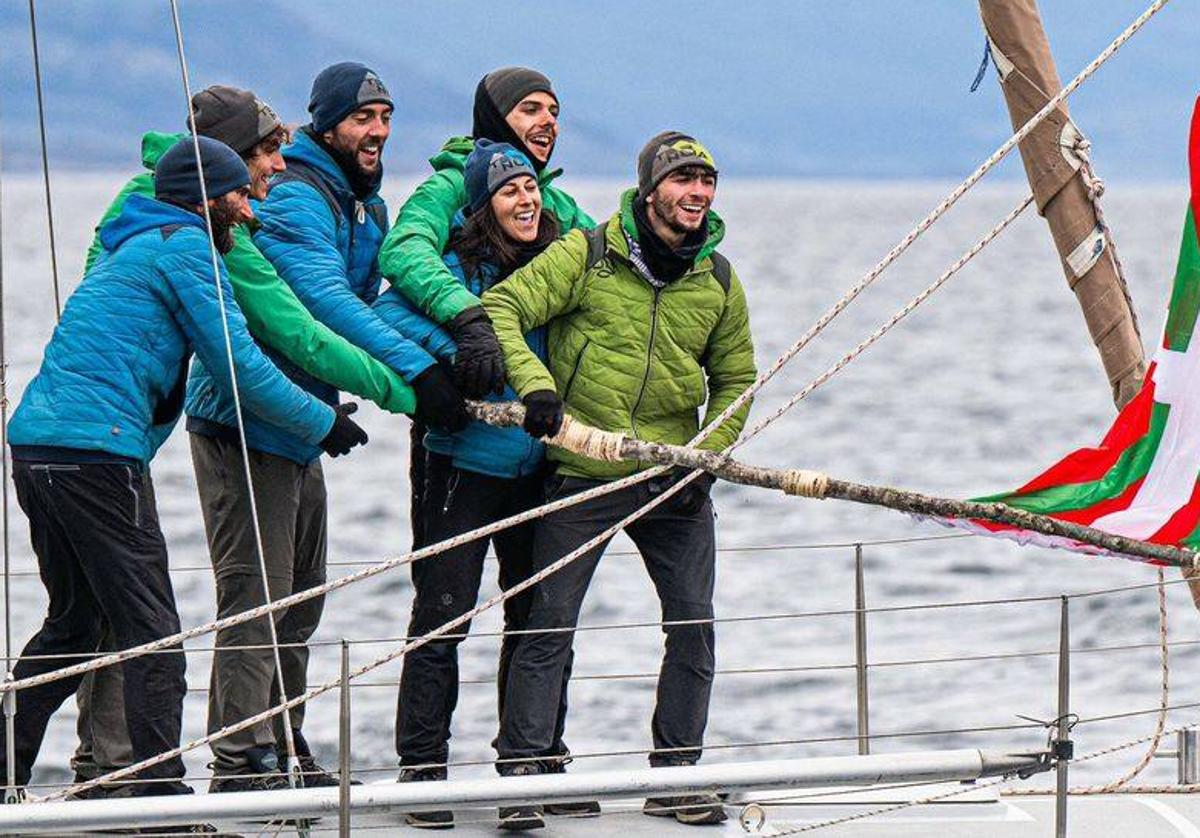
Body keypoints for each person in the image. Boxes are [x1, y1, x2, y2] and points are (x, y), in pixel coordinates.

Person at [71, 84, 421, 797]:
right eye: (264, 152)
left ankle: (271, 745)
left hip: (240, 429)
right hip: (184, 431)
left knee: (297, 600)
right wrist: (415, 395)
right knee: (211, 602)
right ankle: (205, 764)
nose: (279, 164)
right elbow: (283, 333)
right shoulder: (187, 229)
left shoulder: (225, 216)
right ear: (221, 165)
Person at [0, 138, 362, 803]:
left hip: (37, 450)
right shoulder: (188, 247)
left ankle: (5, 768)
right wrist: (323, 422)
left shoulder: (133, 244)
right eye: (238, 190)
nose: (252, 200)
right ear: (209, 198)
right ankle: (159, 800)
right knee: (156, 637)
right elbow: (240, 366)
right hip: (96, 456)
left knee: (76, 626)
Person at [185, 62, 458, 793]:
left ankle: (285, 740)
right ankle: (243, 764)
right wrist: (414, 386)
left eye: (387, 116)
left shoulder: (364, 206)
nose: (379, 131)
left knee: (302, 597)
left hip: (306, 423)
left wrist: (454, 360)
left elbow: (382, 304)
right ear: (327, 122)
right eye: (364, 118)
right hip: (245, 423)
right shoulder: (294, 199)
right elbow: (323, 308)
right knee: (257, 598)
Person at [484, 132, 757, 829]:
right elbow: (502, 309)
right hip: (584, 467)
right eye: (683, 180)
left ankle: (676, 778)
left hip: (674, 480)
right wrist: (537, 387)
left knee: (694, 626)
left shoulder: (718, 279)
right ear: (649, 189)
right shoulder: (588, 253)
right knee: (549, 624)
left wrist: (707, 457)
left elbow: (737, 380)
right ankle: (523, 778)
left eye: (707, 181)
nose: (697, 193)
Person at [373, 141, 598, 829]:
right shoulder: (452, 271)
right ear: (480, 208)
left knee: (536, 623)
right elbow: (386, 314)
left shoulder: (557, 267)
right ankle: (422, 773)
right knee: (442, 618)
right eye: (509, 193)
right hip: (462, 467)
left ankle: (532, 765)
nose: (527, 200)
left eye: (531, 188)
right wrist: (456, 349)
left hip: (537, 468)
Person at [377, 66, 593, 554]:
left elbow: (609, 260)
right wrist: (469, 323)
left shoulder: (556, 203)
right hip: (463, 418)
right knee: (443, 599)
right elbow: (404, 252)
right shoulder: (449, 188)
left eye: (554, 112)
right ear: (495, 117)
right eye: (530, 109)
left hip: (539, 435)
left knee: (530, 600)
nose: (548, 122)